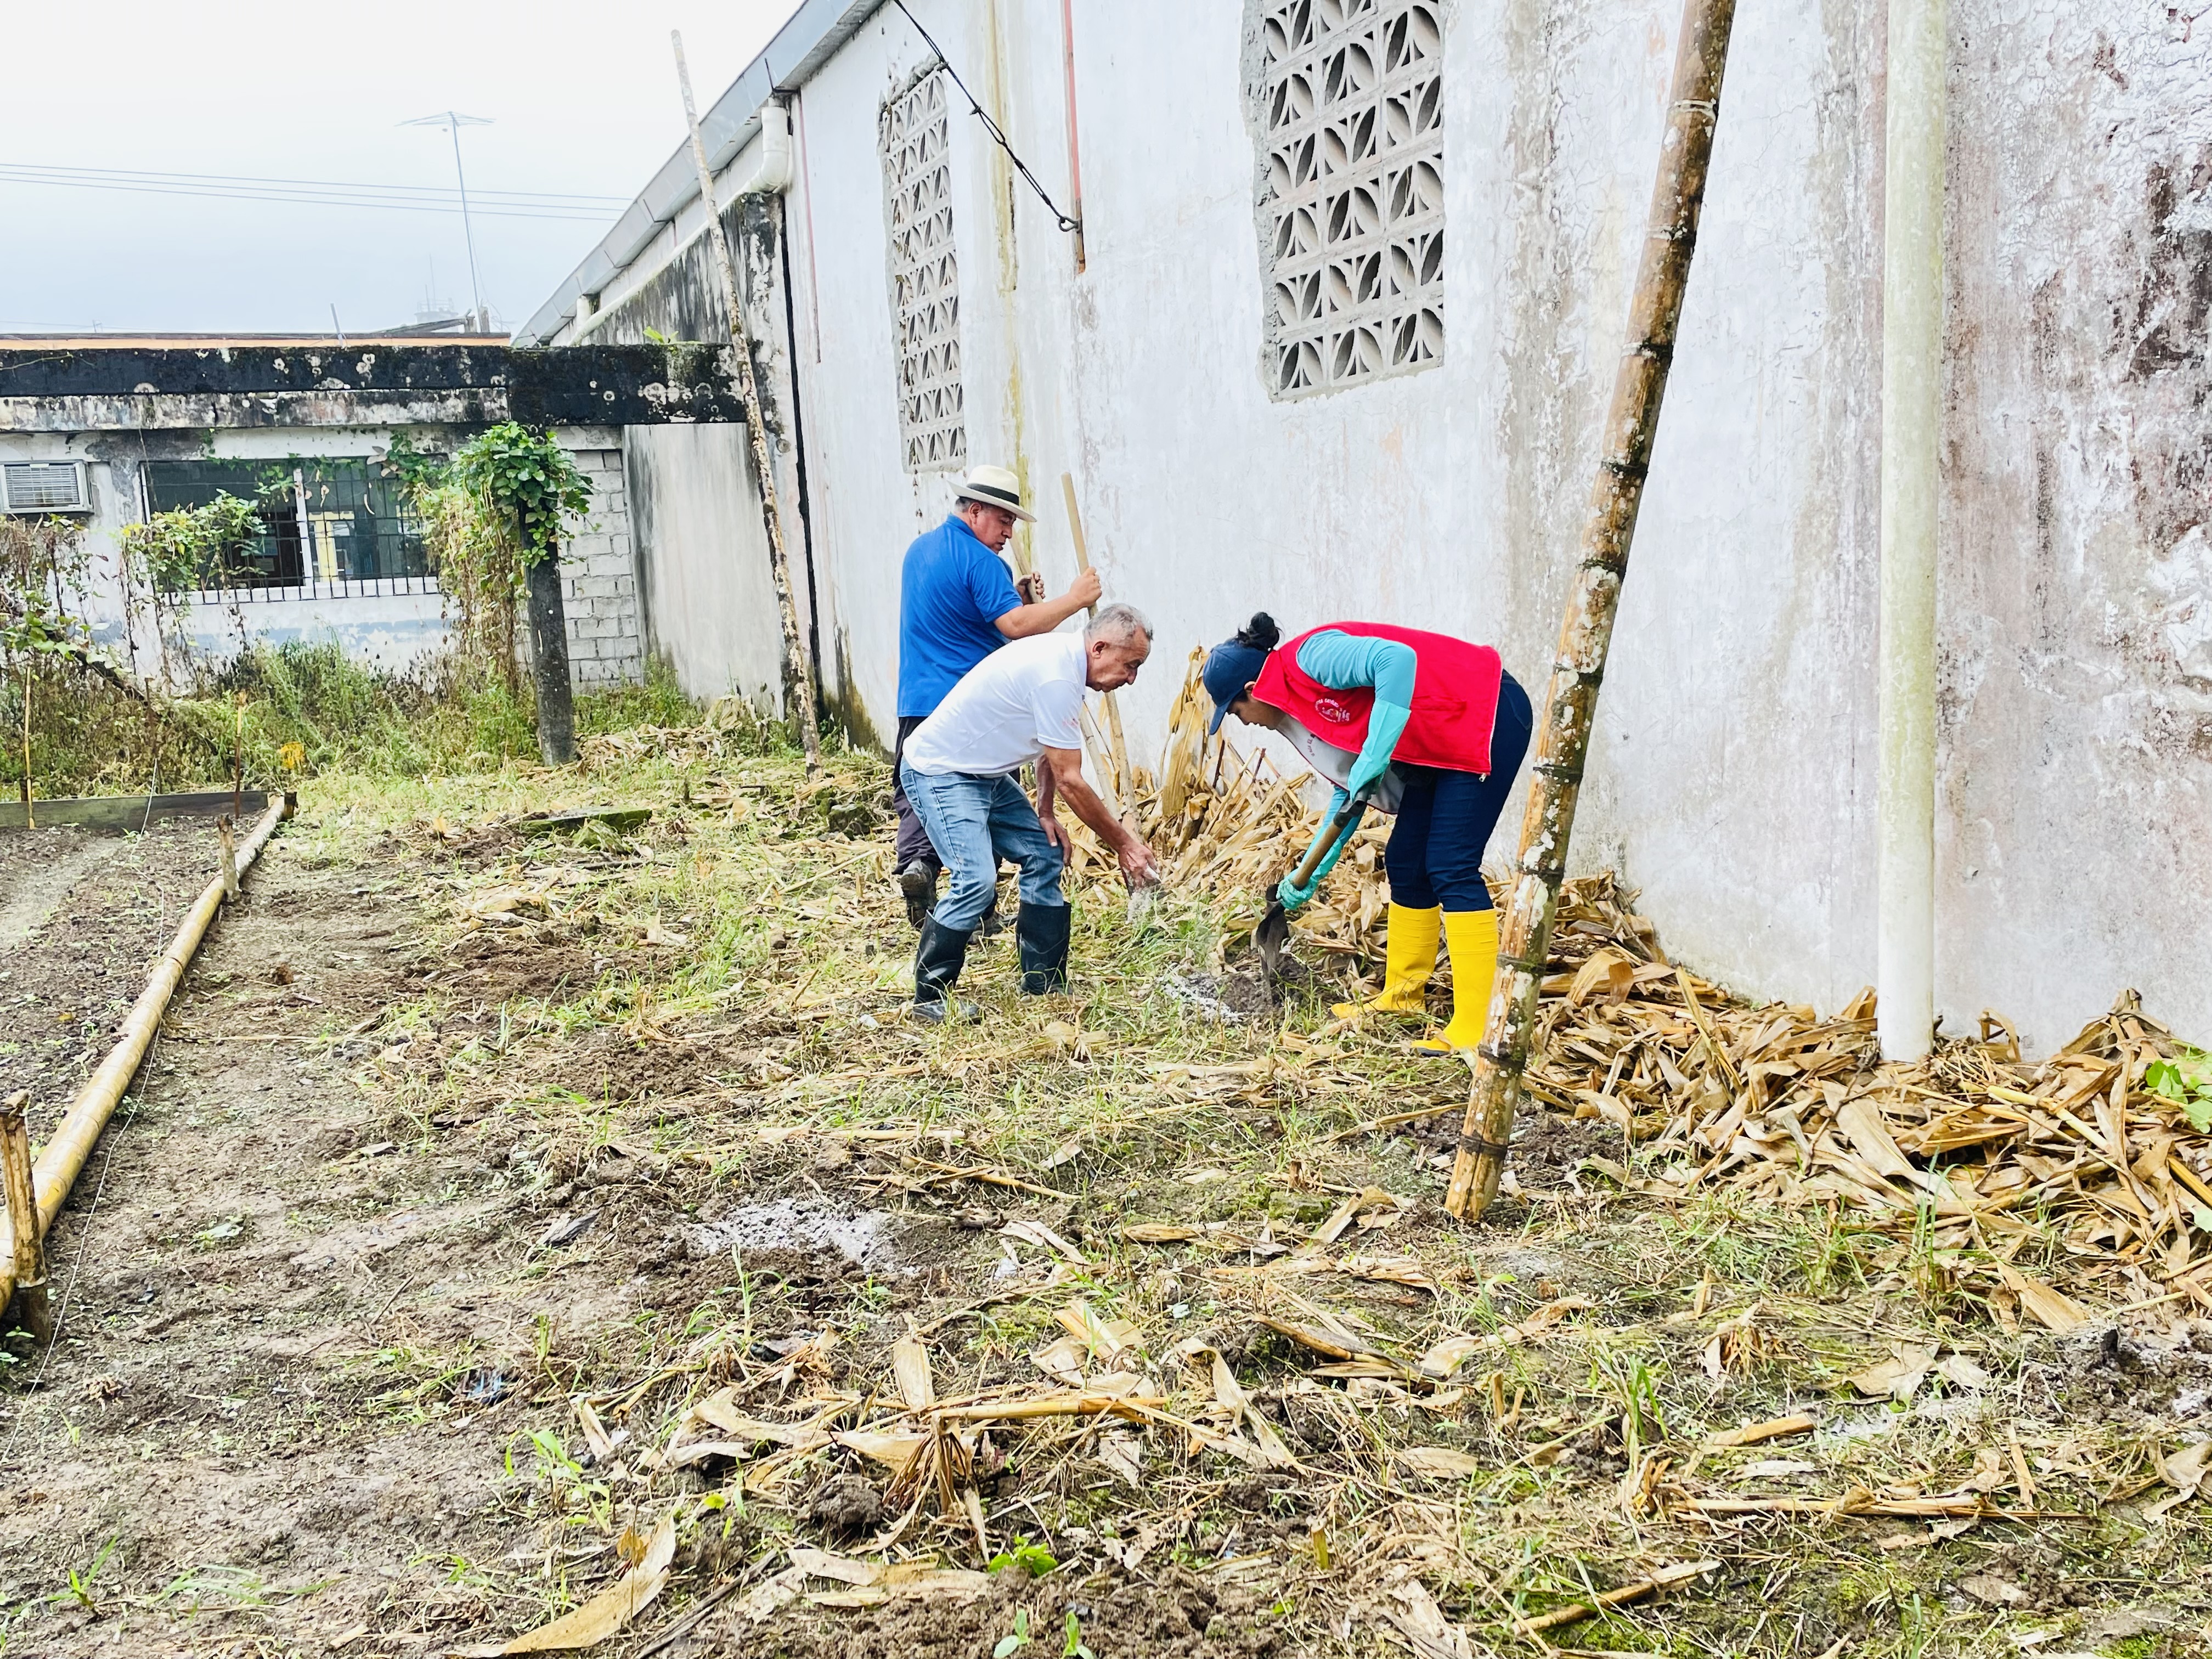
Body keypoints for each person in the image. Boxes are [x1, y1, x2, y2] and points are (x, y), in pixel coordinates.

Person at [1201, 613, 1533, 1052]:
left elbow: (1396, 660)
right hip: (1437, 740)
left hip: (1484, 712)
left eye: (1236, 711)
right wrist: (1308, 873)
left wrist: (1375, 755)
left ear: (1251, 690)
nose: (1243, 722)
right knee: (1406, 861)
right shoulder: (1298, 709)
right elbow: (1350, 790)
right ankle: (1402, 996)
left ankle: (1480, 1027)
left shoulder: (1310, 658)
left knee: (1451, 864)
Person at [899, 603, 1159, 1022]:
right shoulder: (1057, 675)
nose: (1131, 679)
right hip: (941, 771)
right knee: (976, 880)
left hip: (983, 774)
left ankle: (1043, 980)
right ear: (1099, 648)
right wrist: (1125, 845)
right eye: (1130, 666)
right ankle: (930, 997)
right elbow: (1071, 779)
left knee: (1045, 850)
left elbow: (1050, 750)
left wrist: (1045, 811)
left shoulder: (1067, 667)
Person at [893, 465, 1102, 928]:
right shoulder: (984, 562)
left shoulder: (919, 550)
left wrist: (1014, 595)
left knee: (919, 792)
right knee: (979, 802)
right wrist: (1073, 599)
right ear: (974, 512)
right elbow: (1015, 627)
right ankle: (979, 911)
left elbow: (963, 615)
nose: (1008, 532)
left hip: (917, 697)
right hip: (970, 706)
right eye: (1003, 520)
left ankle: (919, 864)